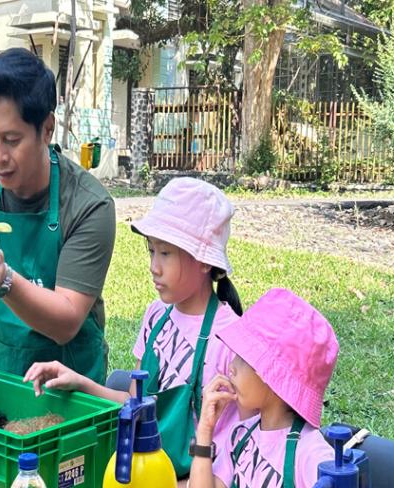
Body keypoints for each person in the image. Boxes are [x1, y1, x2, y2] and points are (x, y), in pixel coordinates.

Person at [24, 177, 248, 484]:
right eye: (151, 251)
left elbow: (235, 455)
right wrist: (79, 382)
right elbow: (134, 403)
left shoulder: (231, 339)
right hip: (146, 471)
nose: (154, 266)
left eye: (165, 253)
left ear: (204, 260)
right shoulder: (157, 316)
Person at [0, 48, 116, 383]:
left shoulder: (89, 205)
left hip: (72, 386)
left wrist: (5, 283)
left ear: (46, 129)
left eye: (12, 140)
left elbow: (67, 322)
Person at [189, 288, 339, 488]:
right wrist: (205, 431)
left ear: (274, 375)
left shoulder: (311, 455)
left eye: (243, 358)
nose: (231, 367)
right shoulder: (241, 435)